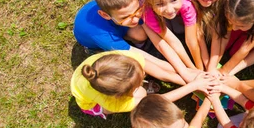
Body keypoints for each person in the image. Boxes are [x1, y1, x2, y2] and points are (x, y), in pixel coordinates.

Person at [71, 50, 219, 118]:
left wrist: (193, 78)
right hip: (90, 104)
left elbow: (163, 73)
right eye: (139, 81)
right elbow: (156, 101)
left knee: (140, 91)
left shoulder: (123, 59)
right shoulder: (113, 103)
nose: (144, 76)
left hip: (102, 88)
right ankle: (100, 112)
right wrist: (193, 86)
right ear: (119, 95)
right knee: (142, 96)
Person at [133, 0, 204, 75]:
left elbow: (191, 40)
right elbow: (172, 41)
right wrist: (192, 70)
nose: (170, 10)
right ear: (150, 1)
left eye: (174, 0)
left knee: (179, 28)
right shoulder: (147, 10)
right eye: (160, 4)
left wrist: (199, 68)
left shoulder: (187, 4)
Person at [73, 0, 148, 53]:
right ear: (105, 15)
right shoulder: (101, 35)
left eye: (137, 10)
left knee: (140, 35)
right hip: (101, 36)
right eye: (125, 17)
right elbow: (136, 56)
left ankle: (125, 37)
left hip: (116, 20)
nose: (136, 20)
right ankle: (93, 50)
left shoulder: (123, 9)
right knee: (120, 57)